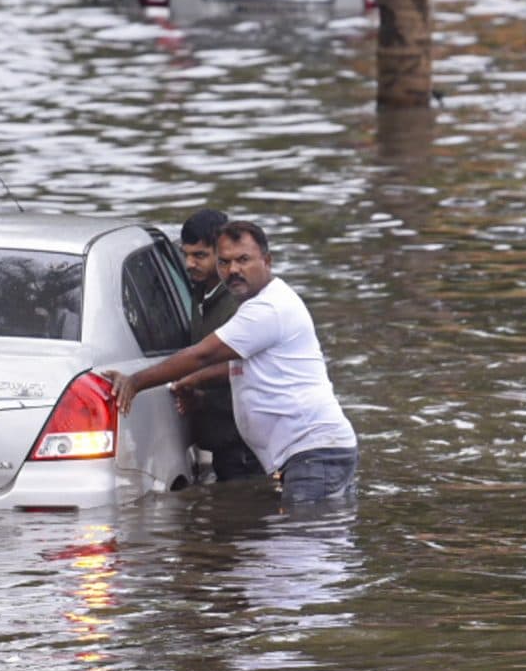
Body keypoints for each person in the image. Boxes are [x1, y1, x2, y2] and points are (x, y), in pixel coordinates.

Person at [100, 219, 358, 501]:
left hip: (314, 453)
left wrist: (135, 382)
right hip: (313, 453)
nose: (233, 270)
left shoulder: (267, 309)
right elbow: (237, 365)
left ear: (267, 261)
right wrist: (193, 381)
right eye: (224, 262)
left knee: (304, 529)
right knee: (311, 528)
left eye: (243, 260)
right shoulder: (260, 304)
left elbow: (204, 354)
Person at [172, 208, 263, 482]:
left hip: (245, 444)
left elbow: (245, 367)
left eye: (199, 256)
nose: (189, 264)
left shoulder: (240, 302)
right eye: (186, 254)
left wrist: (197, 390)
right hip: (224, 441)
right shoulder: (199, 291)